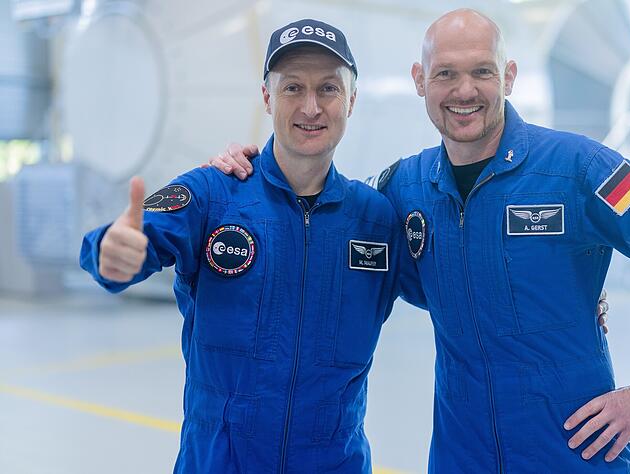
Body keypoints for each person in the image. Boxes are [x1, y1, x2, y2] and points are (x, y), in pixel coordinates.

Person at [214, 9, 630, 473]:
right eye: (446, 74)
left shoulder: (583, 169)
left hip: (575, 454)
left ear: (508, 76)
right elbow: (333, 225)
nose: (464, 91)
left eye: (481, 72)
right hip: (460, 456)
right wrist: (244, 171)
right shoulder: (404, 187)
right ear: (420, 81)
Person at [79, 19, 416, 473]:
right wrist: (109, 251)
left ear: (351, 101)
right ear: (266, 97)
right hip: (219, 462)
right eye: (293, 88)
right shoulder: (211, 193)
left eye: (329, 89)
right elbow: (133, 238)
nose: (311, 107)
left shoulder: (376, 220)